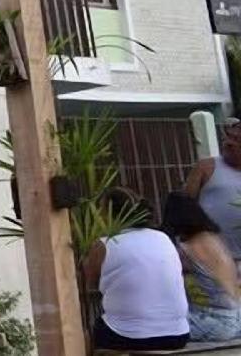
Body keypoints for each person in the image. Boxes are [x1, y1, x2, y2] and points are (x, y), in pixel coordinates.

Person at [84, 188, 189, 351]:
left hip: (126, 335)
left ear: (108, 214)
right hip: (178, 334)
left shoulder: (104, 245)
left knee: (86, 332)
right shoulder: (163, 238)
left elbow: (91, 286)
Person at [163, 191, 241, 342]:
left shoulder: (186, 247)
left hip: (216, 322)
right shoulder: (214, 238)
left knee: (150, 324)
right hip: (237, 317)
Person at [184, 118, 241, 262]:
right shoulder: (206, 167)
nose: (228, 142)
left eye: (236, 139)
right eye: (227, 137)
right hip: (211, 257)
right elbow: (183, 205)